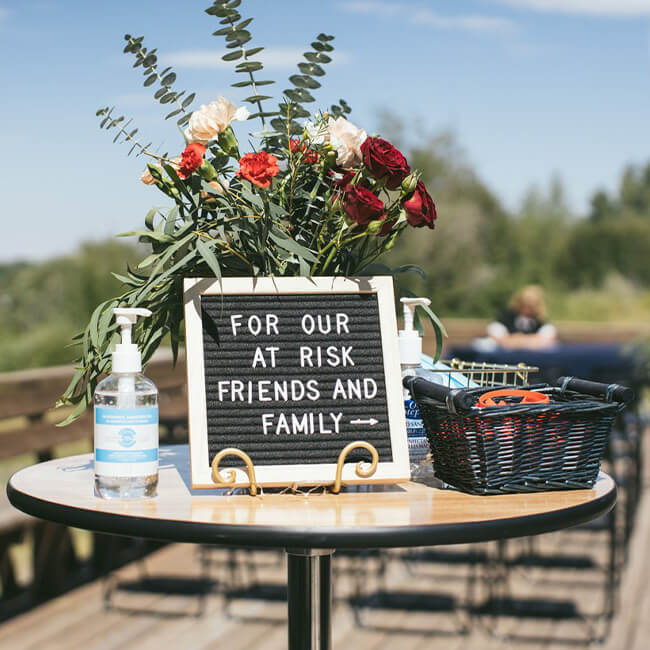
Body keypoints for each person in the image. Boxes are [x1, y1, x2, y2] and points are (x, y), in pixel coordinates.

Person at [486, 285, 557, 349]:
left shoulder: (542, 323)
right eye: (523, 305)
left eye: (531, 307)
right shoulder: (505, 318)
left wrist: (521, 340)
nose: (526, 310)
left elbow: (545, 340)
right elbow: (499, 338)